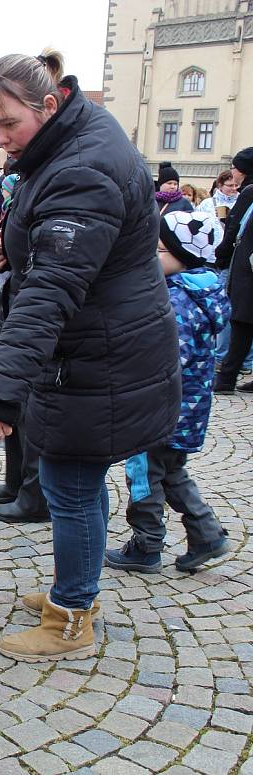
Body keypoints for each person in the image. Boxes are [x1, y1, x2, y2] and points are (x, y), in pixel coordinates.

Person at [0, 49, 180, 662]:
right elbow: (63, 253)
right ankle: (76, 588)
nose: (3, 140)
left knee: (72, 481)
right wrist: (15, 247)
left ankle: (73, 614)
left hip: (103, 354)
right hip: (103, 345)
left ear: (49, 104)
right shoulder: (73, 138)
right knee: (71, 479)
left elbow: (54, 288)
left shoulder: (83, 166)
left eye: (10, 125)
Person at [106, 211, 230, 574]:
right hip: (186, 408)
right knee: (171, 470)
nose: (150, 255)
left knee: (143, 471)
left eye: (158, 249)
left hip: (160, 408)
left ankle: (146, 545)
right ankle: (207, 534)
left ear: (185, 255)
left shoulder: (178, 301)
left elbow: (164, 359)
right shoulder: (199, 291)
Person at [0, 173, 50, 525]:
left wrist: (9, 248)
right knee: (16, 396)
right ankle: (17, 480)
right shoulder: (22, 182)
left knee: (32, 402)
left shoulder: (54, 181)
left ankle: (35, 493)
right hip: (12, 294)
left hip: (34, 302)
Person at [213, 147, 253, 394]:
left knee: (240, 322)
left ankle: (226, 378)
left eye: (236, 169)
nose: (233, 174)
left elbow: (234, 228)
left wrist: (222, 255)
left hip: (245, 269)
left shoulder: (249, 192)